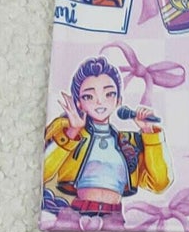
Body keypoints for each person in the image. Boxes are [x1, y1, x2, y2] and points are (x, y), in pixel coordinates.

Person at [41, 57, 168, 222]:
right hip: (77, 215)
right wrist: (73, 131)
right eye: (89, 96)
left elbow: (160, 183)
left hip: (115, 218)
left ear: (119, 101)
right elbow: (43, 172)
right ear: (79, 103)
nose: (100, 101)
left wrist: (148, 132)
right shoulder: (71, 135)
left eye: (109, 94)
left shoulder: (128, 142)